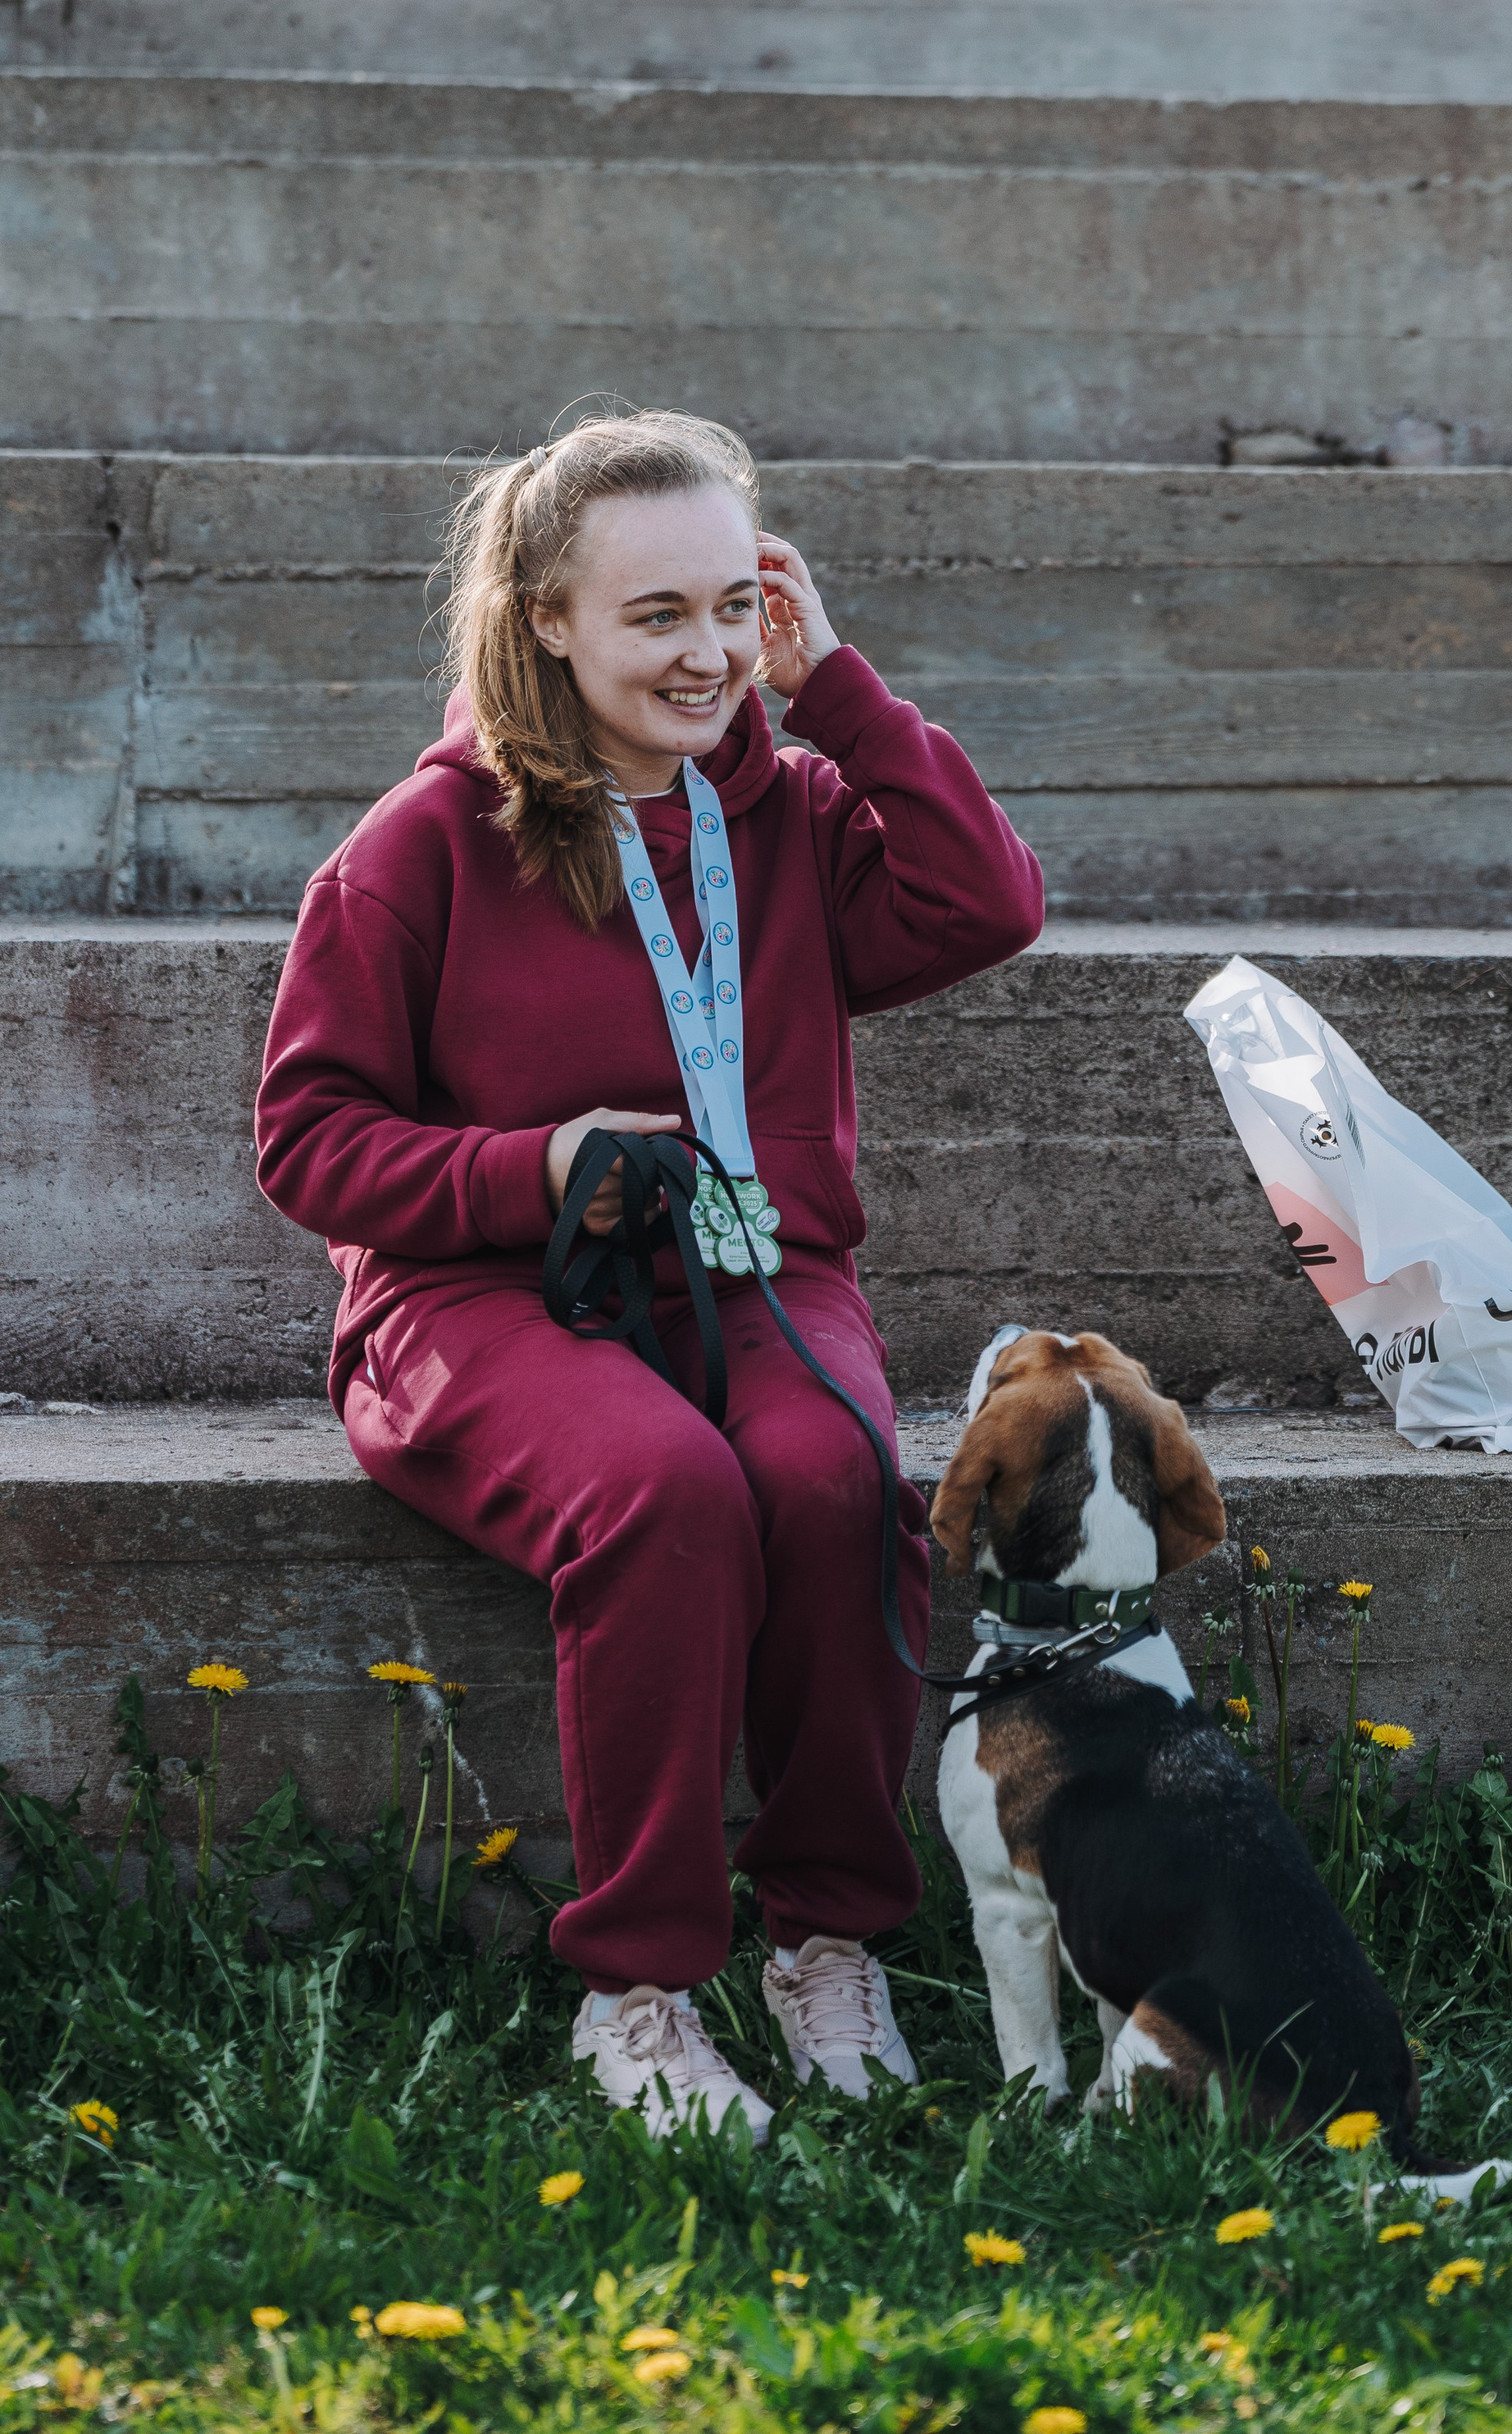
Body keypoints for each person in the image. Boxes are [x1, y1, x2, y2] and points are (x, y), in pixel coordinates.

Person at [253, 410, 1044, 2139]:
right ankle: (640, 1989)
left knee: (833, 1473)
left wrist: (830, 683)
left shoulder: (792, 807)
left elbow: (985, 904)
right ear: (546, 618)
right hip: (479, 1297)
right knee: (665, 1486)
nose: (705, 656)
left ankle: (825, 1940)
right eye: (653, 616)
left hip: (753, 1273)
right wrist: (527, 1163)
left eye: (730, 606)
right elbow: (308, 1142)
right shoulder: (419, 843)